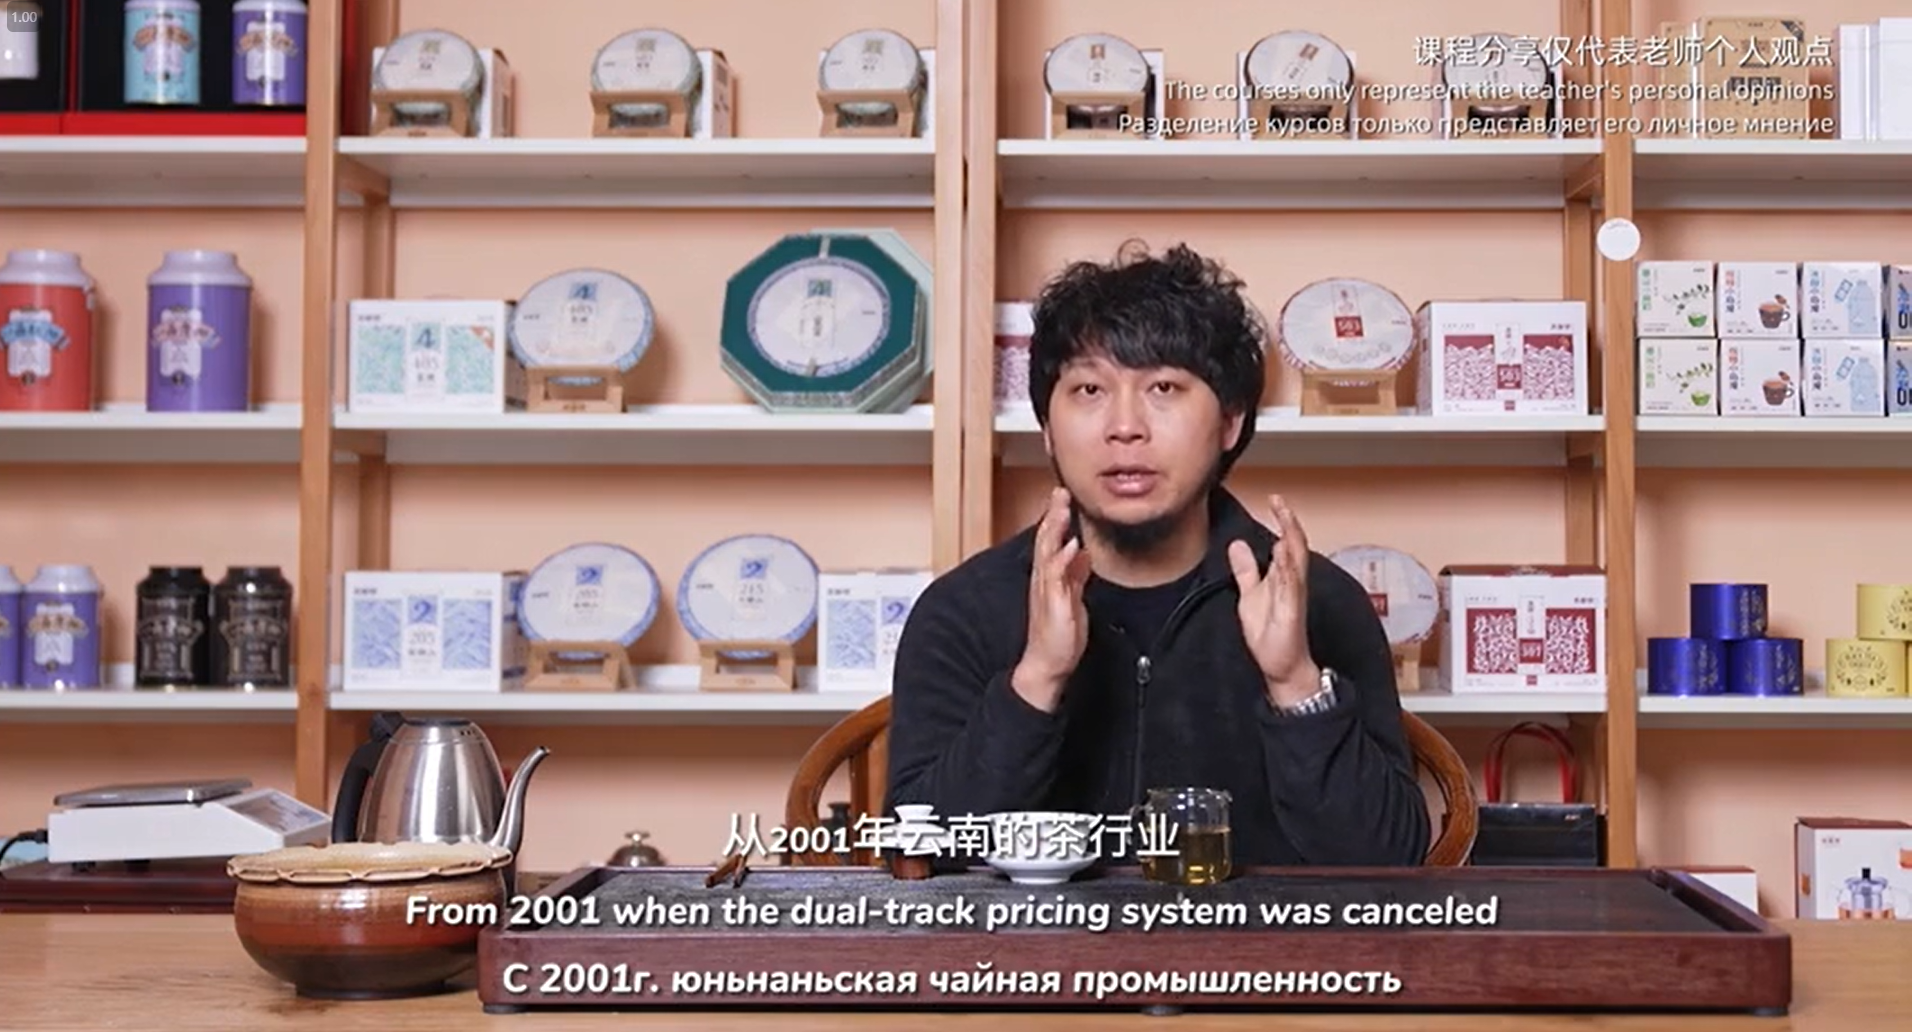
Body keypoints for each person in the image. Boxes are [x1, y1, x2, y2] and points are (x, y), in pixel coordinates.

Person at [885, 241, 1430, 867]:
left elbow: (1390, 864)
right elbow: (919, 852)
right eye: (1089, 389)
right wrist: (1036, 679)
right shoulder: (965, 609)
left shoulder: (1318, 602)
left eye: (1164, 387)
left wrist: (1295, 684)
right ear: (1047, 430)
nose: (1125, 426)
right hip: (1037, 936)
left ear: (1230, 422)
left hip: (1256, 933)